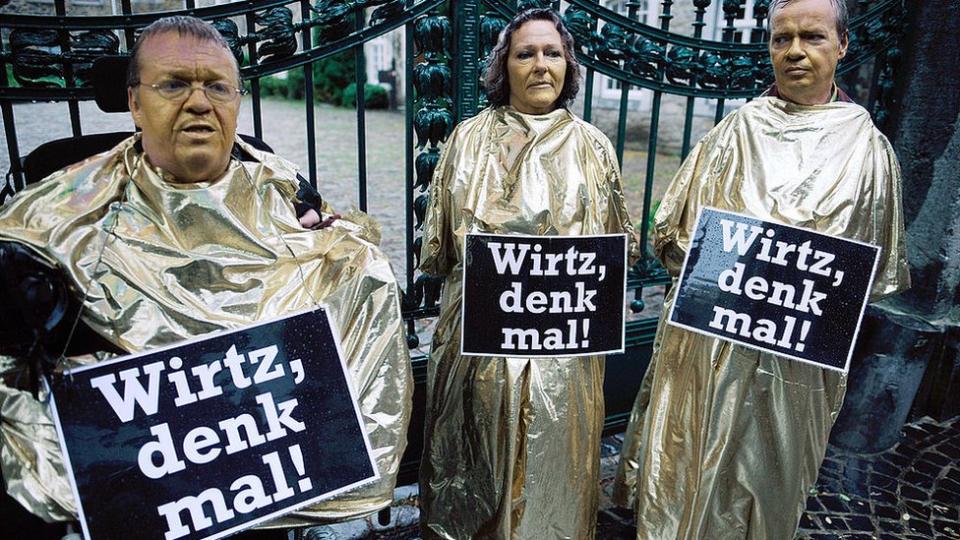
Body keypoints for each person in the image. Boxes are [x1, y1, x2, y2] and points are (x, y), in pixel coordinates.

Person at [0, 15, 412, 535]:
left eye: (217, 87)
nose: (199, 103)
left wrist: (334, 249)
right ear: (134, 103)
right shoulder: (63, 200)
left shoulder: (276, 179)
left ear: (237, 100)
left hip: (269, 463)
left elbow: (350, 283)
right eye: (173, 84)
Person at [612, 0, 910, 538]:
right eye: (781, 38)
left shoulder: (868, 151)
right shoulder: (733, 132)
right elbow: (673, 237)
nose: (794, 51)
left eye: (812, 37)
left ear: (842, 46)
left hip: (795, 365)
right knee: (690, 459)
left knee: (768, 475)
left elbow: (872, 276)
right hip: (708, 350)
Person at [418, 8, 640, 539]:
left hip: (564, 358)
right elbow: (439, 249)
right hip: (481, 353)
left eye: (553, 53)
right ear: (504, 67)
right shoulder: (467, 140)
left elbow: (616, 252)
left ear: (568, 66)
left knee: (553, 476)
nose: (541, 65)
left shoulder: (594, 148)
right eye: (525, 54)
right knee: (478, 476)